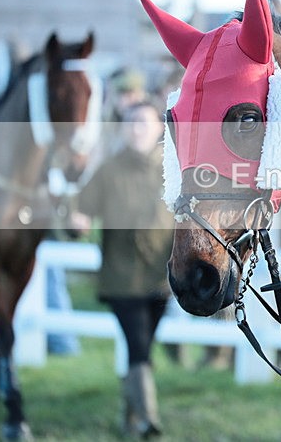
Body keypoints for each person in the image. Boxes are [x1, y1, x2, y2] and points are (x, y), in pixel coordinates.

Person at [72, 101, 172, 437]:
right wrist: (75, 221)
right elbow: (81, 213)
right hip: (121, 274)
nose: (137, 128)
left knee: (140, 347)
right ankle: (148, 420)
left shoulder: (172, 168)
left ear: (159, 128)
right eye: (131, 123)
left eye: (144, 122)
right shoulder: (109, 169)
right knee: (138, 342)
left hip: (162, 276)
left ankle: (130, 416)